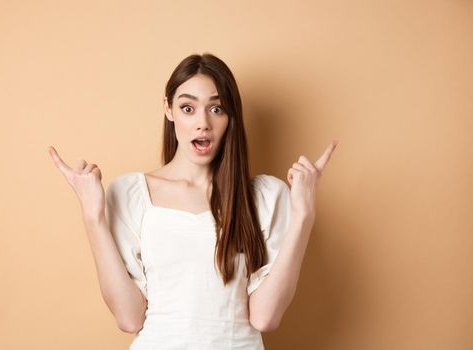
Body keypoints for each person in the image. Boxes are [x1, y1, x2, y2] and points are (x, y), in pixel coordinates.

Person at [48, 52, 338, 349]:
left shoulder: (265, 197)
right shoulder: (131, 194)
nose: (203, 123)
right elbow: (129, 318)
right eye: (188, 108)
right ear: (169, 109)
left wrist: (303, 217)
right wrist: (92, 216)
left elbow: (265, 318)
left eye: (217, 109)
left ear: (231, 116)